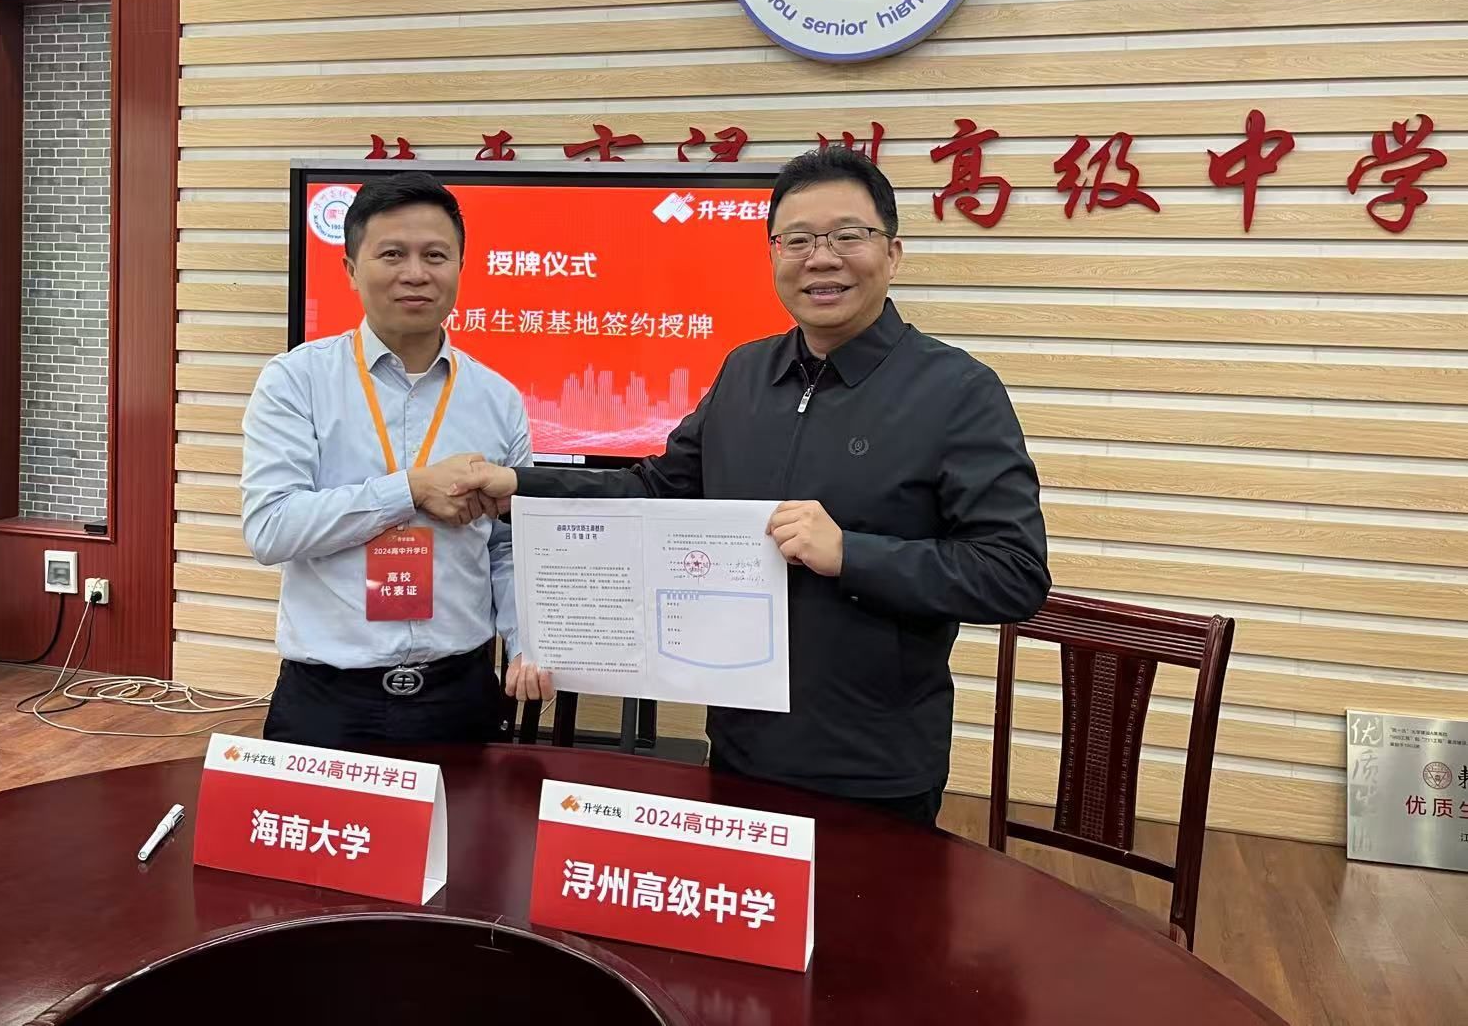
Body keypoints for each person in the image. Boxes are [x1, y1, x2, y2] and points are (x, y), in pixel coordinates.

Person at [448, 146, 1049, 826]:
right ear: (773, 255)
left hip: (873, 764)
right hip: (739, 742)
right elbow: (655, 491)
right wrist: (520, 488)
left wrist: (851, 553)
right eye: (798, 240)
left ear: (893, 253)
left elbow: (1013, 573)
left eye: (848, 236)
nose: (821, 258)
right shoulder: (745, 373)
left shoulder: (958, 391)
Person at [240, 171, 553, 749]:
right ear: (350, 268)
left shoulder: (497, 398)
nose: (415, 273)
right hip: (327, 700)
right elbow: (271, 528)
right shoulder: (295, 381)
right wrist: (409, 490)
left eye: (435, 255)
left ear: (460, 267)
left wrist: (526, 640)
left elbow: (508, 547)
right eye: (392, 254)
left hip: (459, 694)